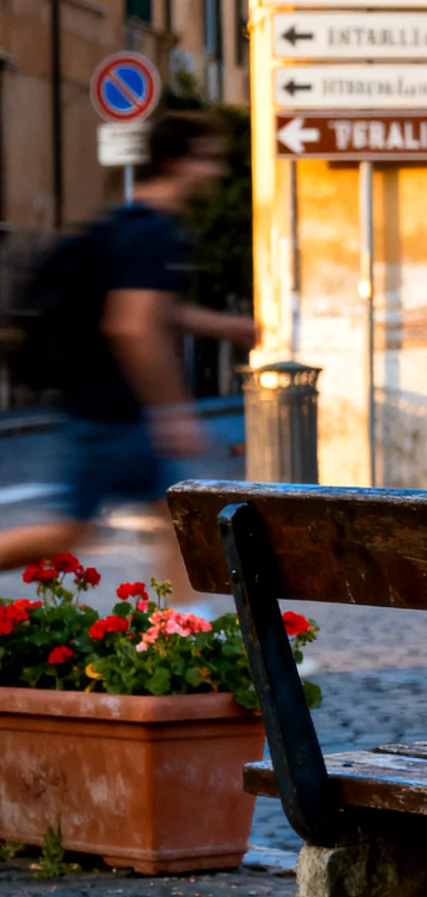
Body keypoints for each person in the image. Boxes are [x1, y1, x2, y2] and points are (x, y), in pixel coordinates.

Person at [0, 113, 258, 605]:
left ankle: (189, 631)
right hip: (118, 412)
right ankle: (192, 632)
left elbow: (156, 307)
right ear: (177, 161)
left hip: (102, 408)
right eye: (207, 159)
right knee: (161, 521)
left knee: (146, 522)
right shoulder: (152, 233)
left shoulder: (129, 224)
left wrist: (224, 327)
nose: (216, 171)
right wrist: (173, 411)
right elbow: (133, 323)